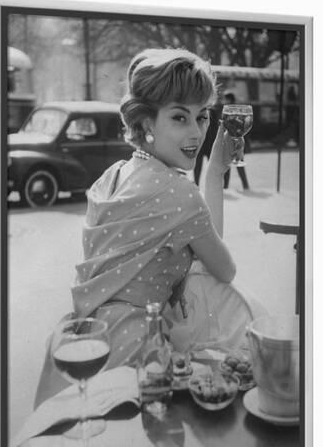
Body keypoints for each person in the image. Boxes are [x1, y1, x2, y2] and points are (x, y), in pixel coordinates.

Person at [34, 49, 263, 407]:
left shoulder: (114, 175)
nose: (196, 132)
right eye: (179, 117)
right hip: (136, 351)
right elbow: (224, 268)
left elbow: (198, 238)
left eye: (202, 116)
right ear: (144, 124)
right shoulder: (178, 192)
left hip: (87, 337)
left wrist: (214, 171)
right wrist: (215, 172)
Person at [221, 92, 250, 190]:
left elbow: (240, 125)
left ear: (230, 99)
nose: (224, 100)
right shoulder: (226, 110)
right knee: (229, 163)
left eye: (226, 99)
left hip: (235, 139)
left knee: (237, 162)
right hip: (228, 139)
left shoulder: (234, 110)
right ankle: (227, 187)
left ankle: (244, 185)